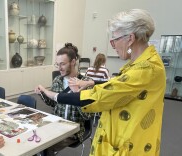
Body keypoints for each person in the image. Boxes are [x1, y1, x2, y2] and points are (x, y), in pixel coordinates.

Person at [37, 9, 166, 156]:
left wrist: (53, 94)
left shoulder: (147, 68)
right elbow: (119, 83)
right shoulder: (139, 64)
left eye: (114, 40)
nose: (113, 45)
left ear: (130, 38)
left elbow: (99, 96)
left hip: (128, 145)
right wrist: (90, 82)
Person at [35, 43, 94, 156]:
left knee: (45, 147)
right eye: (57, 64)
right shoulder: (58, 80)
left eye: (62, 64)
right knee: (34, 138)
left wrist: (77, 93)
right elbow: (53, 103)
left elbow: (87, 116)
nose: (59, 68)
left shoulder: (86, 83)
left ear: (73, 62)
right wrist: (42, 93)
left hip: (74, 131)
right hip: (55, 125)